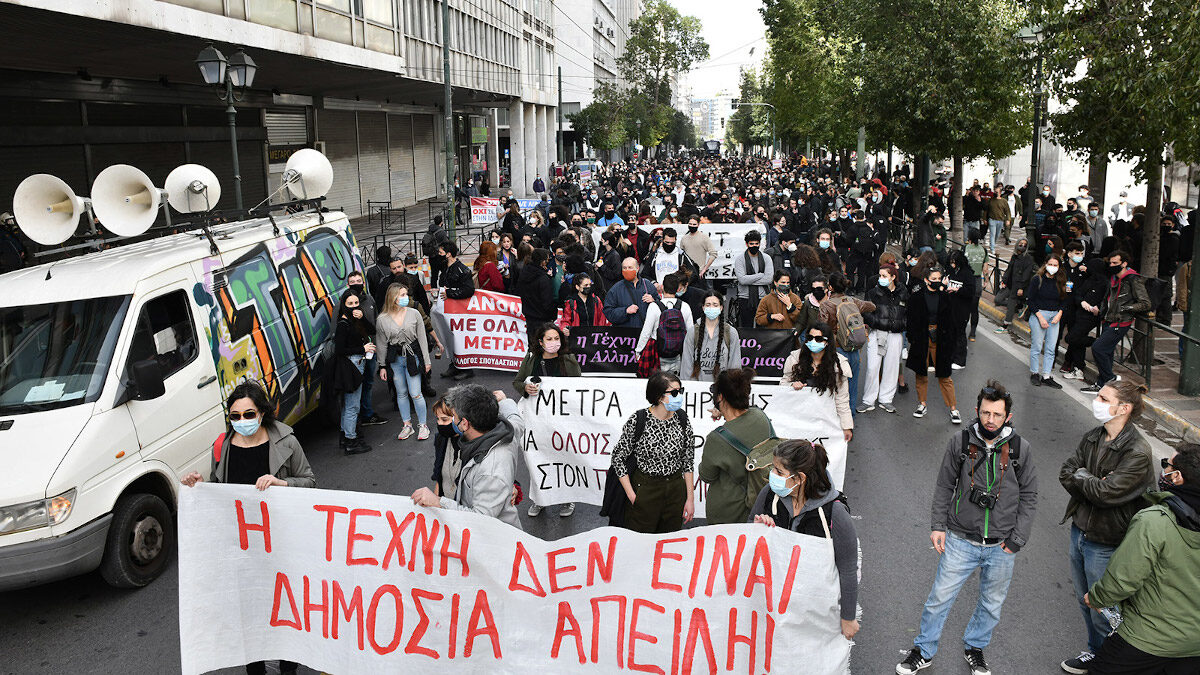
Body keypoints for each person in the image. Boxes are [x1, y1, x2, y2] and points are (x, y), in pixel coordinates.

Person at [896, 381, 1038, 675]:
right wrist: (938, 526)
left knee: (991, 605)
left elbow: (1030, 496)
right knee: (939, 600)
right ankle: (923, 651)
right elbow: (944, 485)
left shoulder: (1020, 449)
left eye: (997, 415)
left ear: (1008, 416)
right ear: (977, 410)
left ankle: (975, 648)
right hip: (960, 539)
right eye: (986, 413)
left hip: (1001, 545)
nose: (990, 420)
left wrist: (1018, 539)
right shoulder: (960, 442)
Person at [180, 380, 316, 675]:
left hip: (282, 544)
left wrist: (282, 483)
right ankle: (255, 669)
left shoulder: (287, 441)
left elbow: (310, 482)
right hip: (241, 549)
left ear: (262, 413)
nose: (242, 421)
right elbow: (219, 492)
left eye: (249, 414)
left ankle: (288, 667)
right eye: (235, 416)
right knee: (250, 612)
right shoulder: (222, 447)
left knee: (284, 608)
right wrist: (200, 487)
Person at [1058, 380, 1154, 674]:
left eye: (1103, 398)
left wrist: (1084, 478)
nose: (1096, 401)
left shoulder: (1137, 452)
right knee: (1085, 600)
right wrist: (1091, 480)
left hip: (1107, 540)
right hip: (1080, 530)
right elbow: (1066, 473)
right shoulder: (1093, 437)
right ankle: (1096, 652)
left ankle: (1109, 662)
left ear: (1123, 408)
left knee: (1105, 608)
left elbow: (1106, 493)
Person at [1082, 443, 1200, 675]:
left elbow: (1123, 579)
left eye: (1167, 465)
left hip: (1146, 637)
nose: (1163, 470)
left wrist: (1096, 598)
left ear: (1177, 477)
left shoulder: (1154, 521)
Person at [750, 439, 860, 642]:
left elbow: (847, 568)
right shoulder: (769, 495)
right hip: (772, 602)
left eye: (779, 471)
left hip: (813, 607)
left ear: (800, 478)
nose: (772, 475)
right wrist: (758, 528)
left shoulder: (835, 512)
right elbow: (748, 532)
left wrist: (848, 617)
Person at [411, 385, 524, 529]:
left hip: (494, 537)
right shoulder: (507, 431)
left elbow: (481, 519)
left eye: (454, 417)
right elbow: (516, 419)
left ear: (464, 423)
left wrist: (438, 502)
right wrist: (504, 401)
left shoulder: (489, 471)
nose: (451, 421)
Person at [610, 371, 696, 533]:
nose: (679, 396)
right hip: (646, 489)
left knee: (669, 540)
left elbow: (688, 460)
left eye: (681, 391)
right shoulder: (638, 419)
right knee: (641, 541)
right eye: (674, 393)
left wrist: (690, 499)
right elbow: (618, 458)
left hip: (675, 491)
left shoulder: (682, 418)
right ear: (659, 397)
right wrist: (632, 496)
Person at [512, 323, 580, 518]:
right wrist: (525, 388)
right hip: (537, 421)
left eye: (556, 338)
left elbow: (579, 388)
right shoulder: (531, 359)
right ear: (540, 342)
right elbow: (517, 381)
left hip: (562, 420)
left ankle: (567, 498)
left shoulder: (568, 360)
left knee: (563, 459)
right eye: (549, 339)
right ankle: (540, 499)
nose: (553, 342)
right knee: (538, 459)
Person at [697, 368, 771, 525]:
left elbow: (707, 476)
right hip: (760, 505)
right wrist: (724, 412)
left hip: (729, 511)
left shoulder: (717, 439)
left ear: (720, 397)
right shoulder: (761, 417)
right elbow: (743, 415)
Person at [1082, 251, 1150, 394]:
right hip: (1108, 319)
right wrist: (1101, 309)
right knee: (1107, 353)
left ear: (1124, 264)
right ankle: (1102, 384)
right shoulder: (1113, 278)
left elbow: (1145, 303)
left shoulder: (1133, 279)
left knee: (1098, 348)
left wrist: (1126, 308)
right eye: (1110, 263)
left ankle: (1111, 379)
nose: (1112, 265)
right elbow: (1108, 298)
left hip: (1121, 322)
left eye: (1115, 263)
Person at [906, 265, 962, 424]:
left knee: (945, 375)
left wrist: (951, 341)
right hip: (922, 339)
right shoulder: (916, 298)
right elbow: (910, 320)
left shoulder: (945, 297)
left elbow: (952, 321)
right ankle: (922, 404)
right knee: (921, 373)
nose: (937, 281)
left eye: (939, 278)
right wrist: (913, 338)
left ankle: (953, 408)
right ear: (926, 280)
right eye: (934, 279)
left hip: (941, 339)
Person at [780, 322, 854, 443]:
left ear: (827, 341)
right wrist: (791, 385)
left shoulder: (839, 364)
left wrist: (846, 426)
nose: (813, 341)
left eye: (818, 339)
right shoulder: (794, 359)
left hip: (824, 419)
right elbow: (783, 384)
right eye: (810, 337)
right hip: (799, 417)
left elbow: (842, 398)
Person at [376, 283, 432, 441]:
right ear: (393, 297)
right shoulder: (382, 319)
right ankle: (407, 425)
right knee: (401, 393)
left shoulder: (414, 314)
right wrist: (382, 366)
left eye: (406, 294)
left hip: (413, 357)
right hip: (395, 359)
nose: (405, 298)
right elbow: (381, 344)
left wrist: (426, 361)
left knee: (415, 393)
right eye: (402, 295)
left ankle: (423, 425)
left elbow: (422, 338)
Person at [819, 272, 875, 415]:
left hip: (836, 350)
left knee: (836, 385)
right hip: (854, 348)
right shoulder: (853, 301)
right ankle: (850, 415)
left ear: (830, 287)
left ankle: (836, 415)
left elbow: (822, 328)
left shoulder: (826, 305)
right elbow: (872, 306)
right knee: (852, 384)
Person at [861, 264, 907, 414]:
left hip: (895, 334)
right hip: (877, 333)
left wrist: (901, 325)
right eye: (880, 275)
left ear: (893, 277)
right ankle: (868, 400)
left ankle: (886, 399)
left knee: (891, 368)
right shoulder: (873, 293)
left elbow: (908, 312)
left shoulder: (903, 293)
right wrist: (876, 323)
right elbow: (866, 312)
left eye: (884, 276)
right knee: (872, 367)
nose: (881, 278)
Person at [333, 291, 375, 454]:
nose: (354, 306)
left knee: (349, 405)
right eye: (350, 304)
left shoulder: (355, 320)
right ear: (344, 305)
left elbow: (372, 330)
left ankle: (346, 436)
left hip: (357, 363)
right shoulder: (343, 324)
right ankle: (351, 440)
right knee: (352, 405)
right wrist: (362, 349)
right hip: (352, 365)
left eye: (356, 303)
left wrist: (362, 318)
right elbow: (339, 349)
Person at [345, 271, 387, 429]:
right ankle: (355, 420)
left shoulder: (369, 299)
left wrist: (377, 346)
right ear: (348, 285)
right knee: (356, 386)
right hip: (355, 354)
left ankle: (367, 414)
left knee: (368, 382)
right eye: (353, 282)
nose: (357, 284)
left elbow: (375, 325)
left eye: (359, 281)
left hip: (371, 350)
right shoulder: (343, 304)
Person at [635, 272, 694, 374]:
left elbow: (646, 332)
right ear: (678, 289)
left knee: (659, 381)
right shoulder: (685, 306)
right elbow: (690, 333)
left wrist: (638, 350)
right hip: (678, 354)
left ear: (662, 287)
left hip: (658, 354)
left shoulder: (654, 306)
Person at [681, 291, 743, 381]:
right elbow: (686, 365)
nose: (711, 308)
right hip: (697, 387)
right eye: (708, 305)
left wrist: (731, 386)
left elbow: (735, 364)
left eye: (715, 305)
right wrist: (691, 386)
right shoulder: (692, 332)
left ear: (721, 308)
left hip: (722, 386)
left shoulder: (731, 332)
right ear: (703, 307)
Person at [1026, 254, 1068, 389]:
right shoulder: (1037, 279)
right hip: (1039, 314)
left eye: (1056, 265)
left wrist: (1059, 314)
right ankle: (1034, 373)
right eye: (1050, 264)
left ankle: (1046, 376)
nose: (1053, 267)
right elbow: (1030, 300)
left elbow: (1065, 300)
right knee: (1037, 346)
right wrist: (1040, 317)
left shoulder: (1061, 281)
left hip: (1055, 316)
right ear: (1045, 264)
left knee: (1051, 348)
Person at [514, 248, 557, 349]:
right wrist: (553, 314)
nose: (548, 262)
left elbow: (518, 292)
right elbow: (547, 303)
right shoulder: (543, 279)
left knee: (533, 347)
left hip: (529, 318)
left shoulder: (524, 273)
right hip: (543, 319)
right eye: (547, 260)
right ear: (543, 262)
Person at [602, 257, 660, 329]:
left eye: (630, 267)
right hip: (626, 334)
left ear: (637, 268)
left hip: (645, 332)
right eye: (624, 268)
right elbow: (608, 313)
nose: (627, 270)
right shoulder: (616, 289)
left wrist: (653, 301)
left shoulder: (648, 285)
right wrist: (625, 311)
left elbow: (660, 307)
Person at [734, 230, 774, 328]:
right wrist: (760, 275)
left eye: (756, 244)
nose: (754, 246)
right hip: (745, 297)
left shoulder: (766, 258)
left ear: (760, 244)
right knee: (746, 327)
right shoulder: (740, 259)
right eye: (751, 244)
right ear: (747, 244)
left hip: (763, 297)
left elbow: (769, 279)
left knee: (763, 327)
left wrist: (748, 279)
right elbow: (742, 280)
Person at [995, 239, 1035, 332]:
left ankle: (1005, 326)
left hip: (1018, 286)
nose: (1022, 246)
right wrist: (1004, 281)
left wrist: (1021, 287)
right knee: (998, 300)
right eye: (1020, 244)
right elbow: (1009, 269)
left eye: (1025, 245)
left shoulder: (1028, 258)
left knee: (1011, 304)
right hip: (1009, 284)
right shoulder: (1014, 256)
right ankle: (1018, 305)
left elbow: (1026, 275)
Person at [680, 214, 717, 281]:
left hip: (699, 274)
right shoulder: (684, 238)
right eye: (690, 224)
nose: (692, 226)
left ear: (698, 224)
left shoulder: (704, 237)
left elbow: (713, 254)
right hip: (687, 274)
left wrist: (704, 269)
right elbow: (681, 255)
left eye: (694, 224)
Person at [422, 215, 450, 286]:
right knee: (444, 272)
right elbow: (446, 243)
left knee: (434, 274)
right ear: (441, 222)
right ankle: (442, 287)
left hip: (432, 256)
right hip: (440, 256)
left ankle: (433, 288)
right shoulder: (442, 232)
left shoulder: (430, 230)